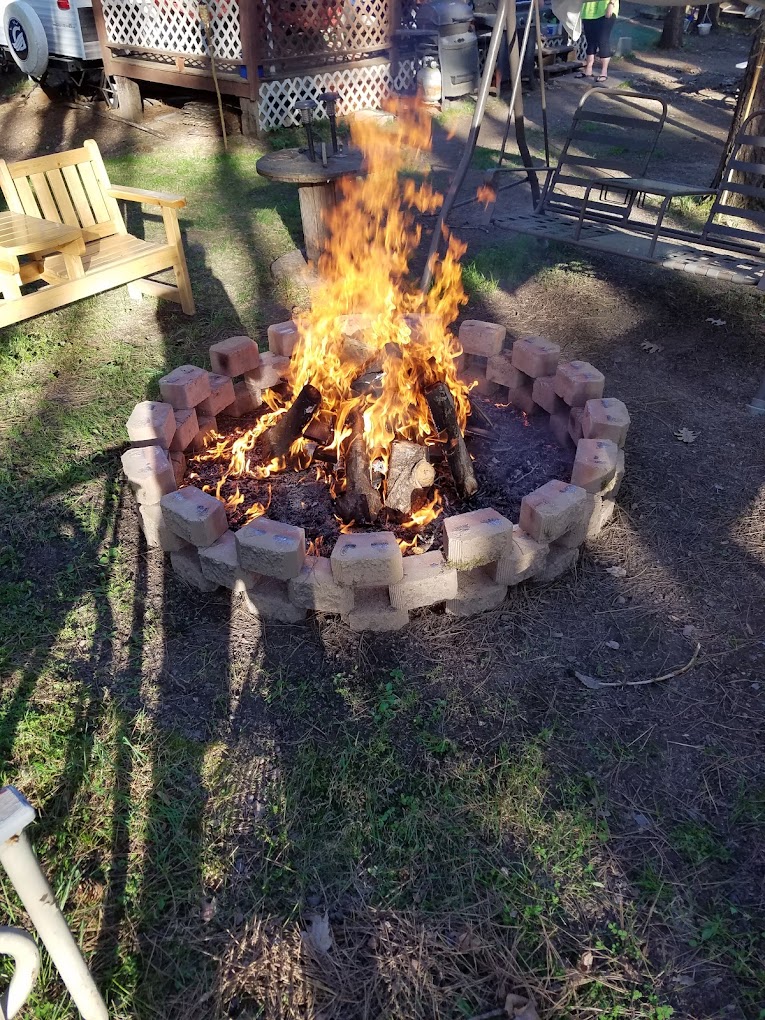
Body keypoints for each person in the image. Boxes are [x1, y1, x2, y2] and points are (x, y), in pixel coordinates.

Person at [576, 0, 618, 84]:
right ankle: (588, 70)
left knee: (603, 40)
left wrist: (611, 4)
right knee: (590, 41)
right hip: (588, 11)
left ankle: (604, 73)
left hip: (605, 9)